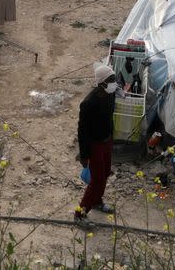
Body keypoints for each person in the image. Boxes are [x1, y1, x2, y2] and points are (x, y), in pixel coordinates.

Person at [74, 64, 118, 228]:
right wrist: (84, 155)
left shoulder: (110, 95)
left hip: (107, 140)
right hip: (95, 145)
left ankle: (98, 201)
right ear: (102, 83)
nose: (115, 82)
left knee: (105, 172)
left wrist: (111, 137)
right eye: (111, 80)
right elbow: (82, 131)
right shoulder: (88, 103)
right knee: (96, 179)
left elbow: (109, 117)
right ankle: (80, 213)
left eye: (114, 79)